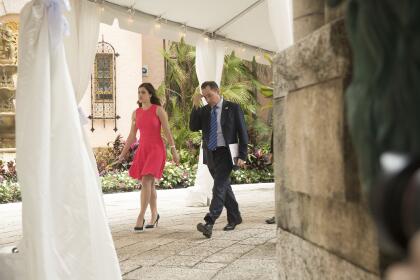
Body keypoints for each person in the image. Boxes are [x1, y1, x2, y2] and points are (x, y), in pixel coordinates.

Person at [190, 81, 248, 238]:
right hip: (210, 153)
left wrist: (242, 155)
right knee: (224, 187)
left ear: (218, 91)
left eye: (210, 95)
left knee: (218, 187)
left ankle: (209, 222)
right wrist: (195, 105)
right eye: (204, 97)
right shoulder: (204, 110)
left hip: (227, 153)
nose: (208, 99)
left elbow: (242, 133)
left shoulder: (233, 108)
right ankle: (235, 217)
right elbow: (193, 126)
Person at [118, 82, 179, 232]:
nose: (140, 95)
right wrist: (123, 154)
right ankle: (154, 214)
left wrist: (174, 150)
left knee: (146, 180)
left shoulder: (158, 110)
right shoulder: (136, 113)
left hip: (156, 149)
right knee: (149, 184)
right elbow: (132, 136)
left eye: (143, 92)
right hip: (143, 150)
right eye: (139, 92)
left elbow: (167, 132)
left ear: (150, 94)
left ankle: (140, 216)